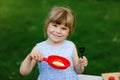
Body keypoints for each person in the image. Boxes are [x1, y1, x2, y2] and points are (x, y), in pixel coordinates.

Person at [19, 6, 88, 80]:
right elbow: (24, 72)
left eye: (63, 28)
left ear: (69, 31)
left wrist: (80, 65)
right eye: (55, 26)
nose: (58, 31)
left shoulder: (70, 46)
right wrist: (29, 57)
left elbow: (78, 71)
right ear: (47, 25)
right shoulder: (39, 48)